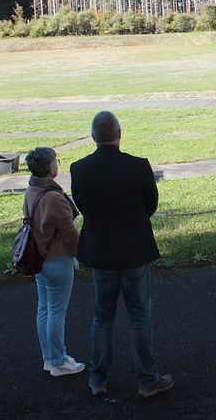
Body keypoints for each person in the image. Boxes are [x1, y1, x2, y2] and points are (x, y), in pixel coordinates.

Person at [70, 111, 173, 398]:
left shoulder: (79, 169)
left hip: (100, 251)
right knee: (140, 316)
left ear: (93, 137)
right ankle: (147, 380)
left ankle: (98, 379)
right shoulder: (138, 167)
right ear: (119, 134)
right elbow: (150, 204)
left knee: (102, 317)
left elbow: (83, 207)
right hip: (134, 250)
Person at [24, 147, 85, 377]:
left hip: (38, 257)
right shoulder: (54, 197)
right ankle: (60, 361)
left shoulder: (32, 188)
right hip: (58, 259)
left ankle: (49, 358)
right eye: (56, 162)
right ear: (51, 168)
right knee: (58, 311)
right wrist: (79, 253)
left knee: (44, 308)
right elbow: (69, 232)